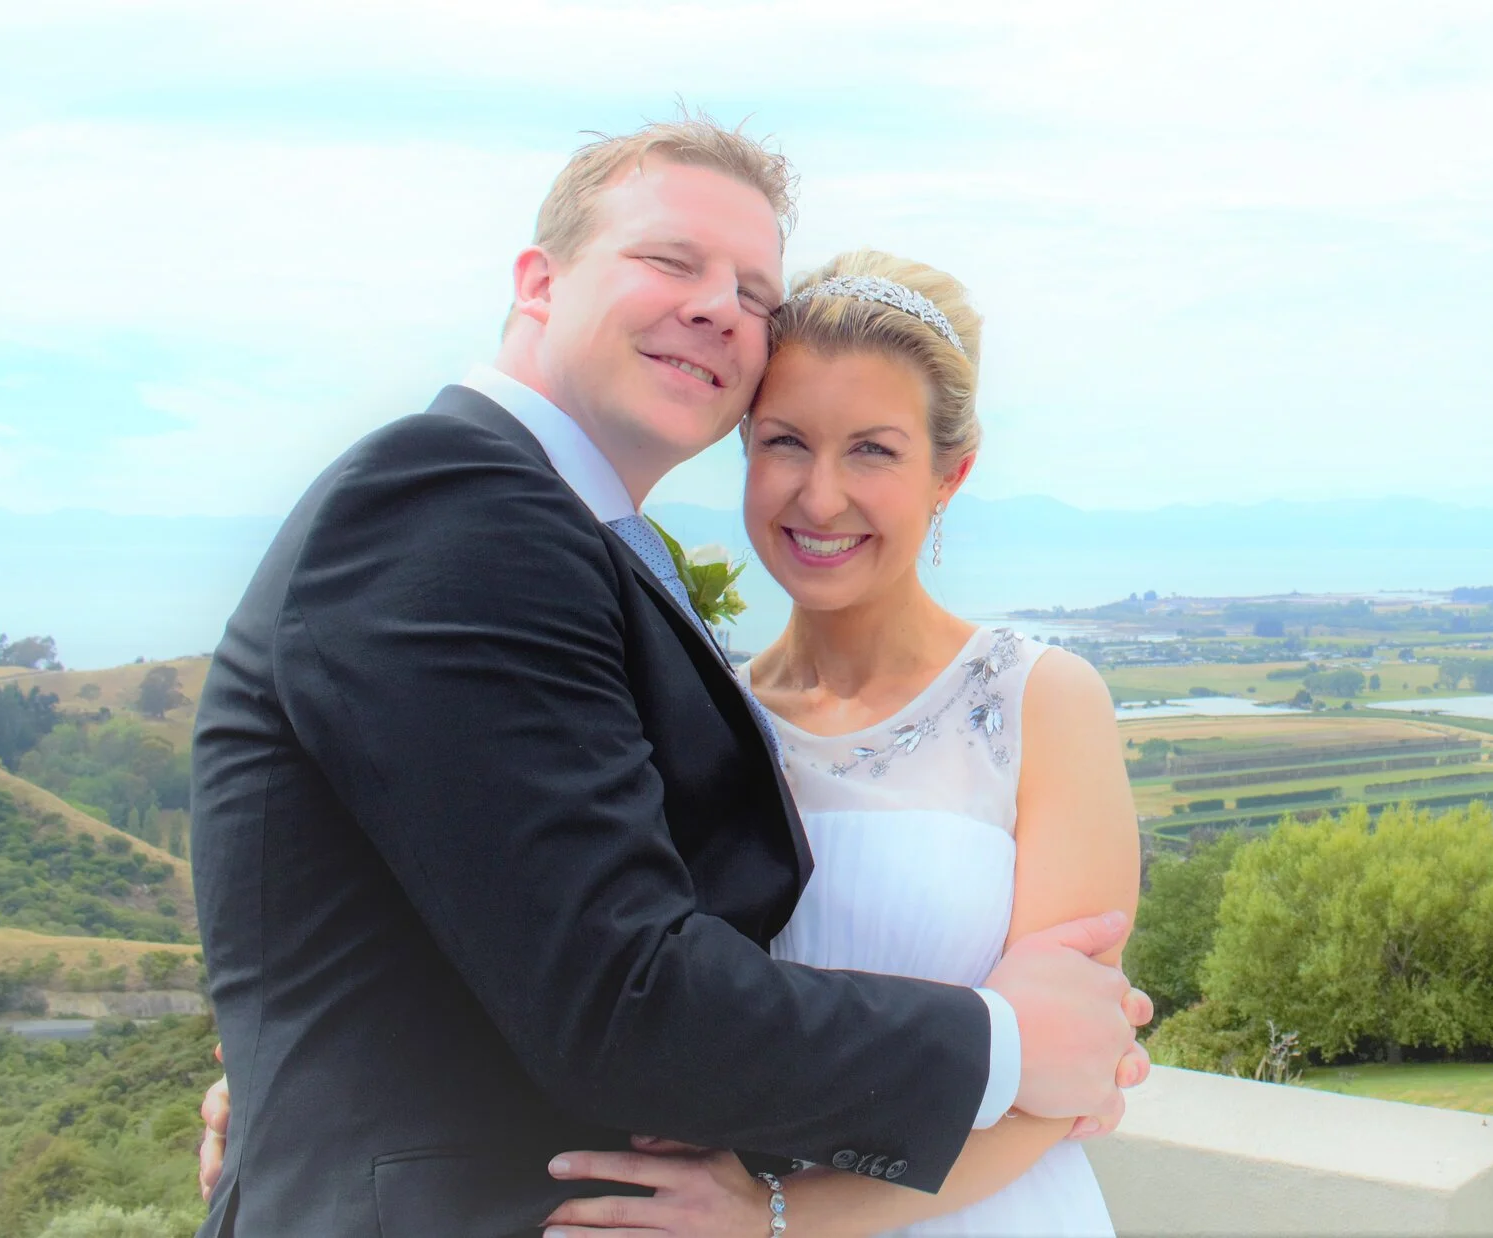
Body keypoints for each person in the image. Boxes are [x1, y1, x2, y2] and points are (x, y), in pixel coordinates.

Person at [188, 118, 1148, 1237]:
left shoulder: (570, 546)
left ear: (950, 474)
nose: (717, 306)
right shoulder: (458, 506)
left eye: (751, 287)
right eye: (669, 260)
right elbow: (616, 986)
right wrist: (1011, 1040)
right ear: (538, 281)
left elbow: (516, 913)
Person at [536, 251, 1138, 1236]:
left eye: (871, 450)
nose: (819, 498)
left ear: (952, 472)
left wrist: (779, 1217)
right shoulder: (690, 714)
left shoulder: (1043, 700)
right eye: (785, 442)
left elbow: (1067, 1077)